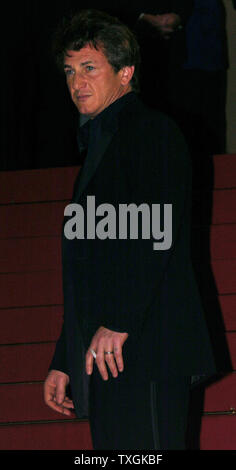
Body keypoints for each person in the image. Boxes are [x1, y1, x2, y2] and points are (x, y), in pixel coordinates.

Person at [43, 9, 216, 450]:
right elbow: (88, 267)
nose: (76, 82)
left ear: (126, 73)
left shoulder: (150, 131)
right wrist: (64, 357)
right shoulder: (101, 149)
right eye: (69, 70)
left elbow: (159, 230)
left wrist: (118, 321)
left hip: (147, 345)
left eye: (89, 68)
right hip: (108, 351)